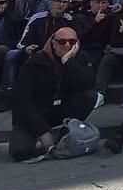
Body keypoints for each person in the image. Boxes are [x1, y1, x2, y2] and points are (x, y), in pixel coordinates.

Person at [9, 27, 94, 160]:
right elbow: (21, 100)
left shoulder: (81, 58)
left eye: (72, 42)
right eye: (62, 42)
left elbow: (87, 83)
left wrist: (68, 61)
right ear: (53, 43)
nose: (67, 45)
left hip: (62, 112)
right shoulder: (35, 62)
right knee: (20, 151)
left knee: (89, 96)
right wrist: (42, 131)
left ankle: (63, 134)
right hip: (37, 113)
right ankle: (46, 141)